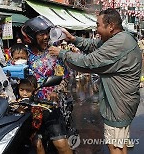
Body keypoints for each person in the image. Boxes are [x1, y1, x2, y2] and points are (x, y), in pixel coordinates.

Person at [49, 8, 141, 154]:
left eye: (98, 25)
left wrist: (62, 53)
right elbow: (93, 45)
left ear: (110, 26)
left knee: (114, 146)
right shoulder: (118, 38)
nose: (96, 29)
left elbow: (88, 62)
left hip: (118, 105)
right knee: (120, 143)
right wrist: (72, 39)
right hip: (124, 102)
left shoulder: (119, 43)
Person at [21, 16, 72, 154]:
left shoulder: (54, 52)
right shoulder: (23, 54)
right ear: (31, 36)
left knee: (61, 145)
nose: (46, 37)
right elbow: (9, 74)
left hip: (51, 107)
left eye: (47, 33)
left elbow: (64, 78)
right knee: (37, 145)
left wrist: (57, 90)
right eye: (41, 34)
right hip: (30, 109)